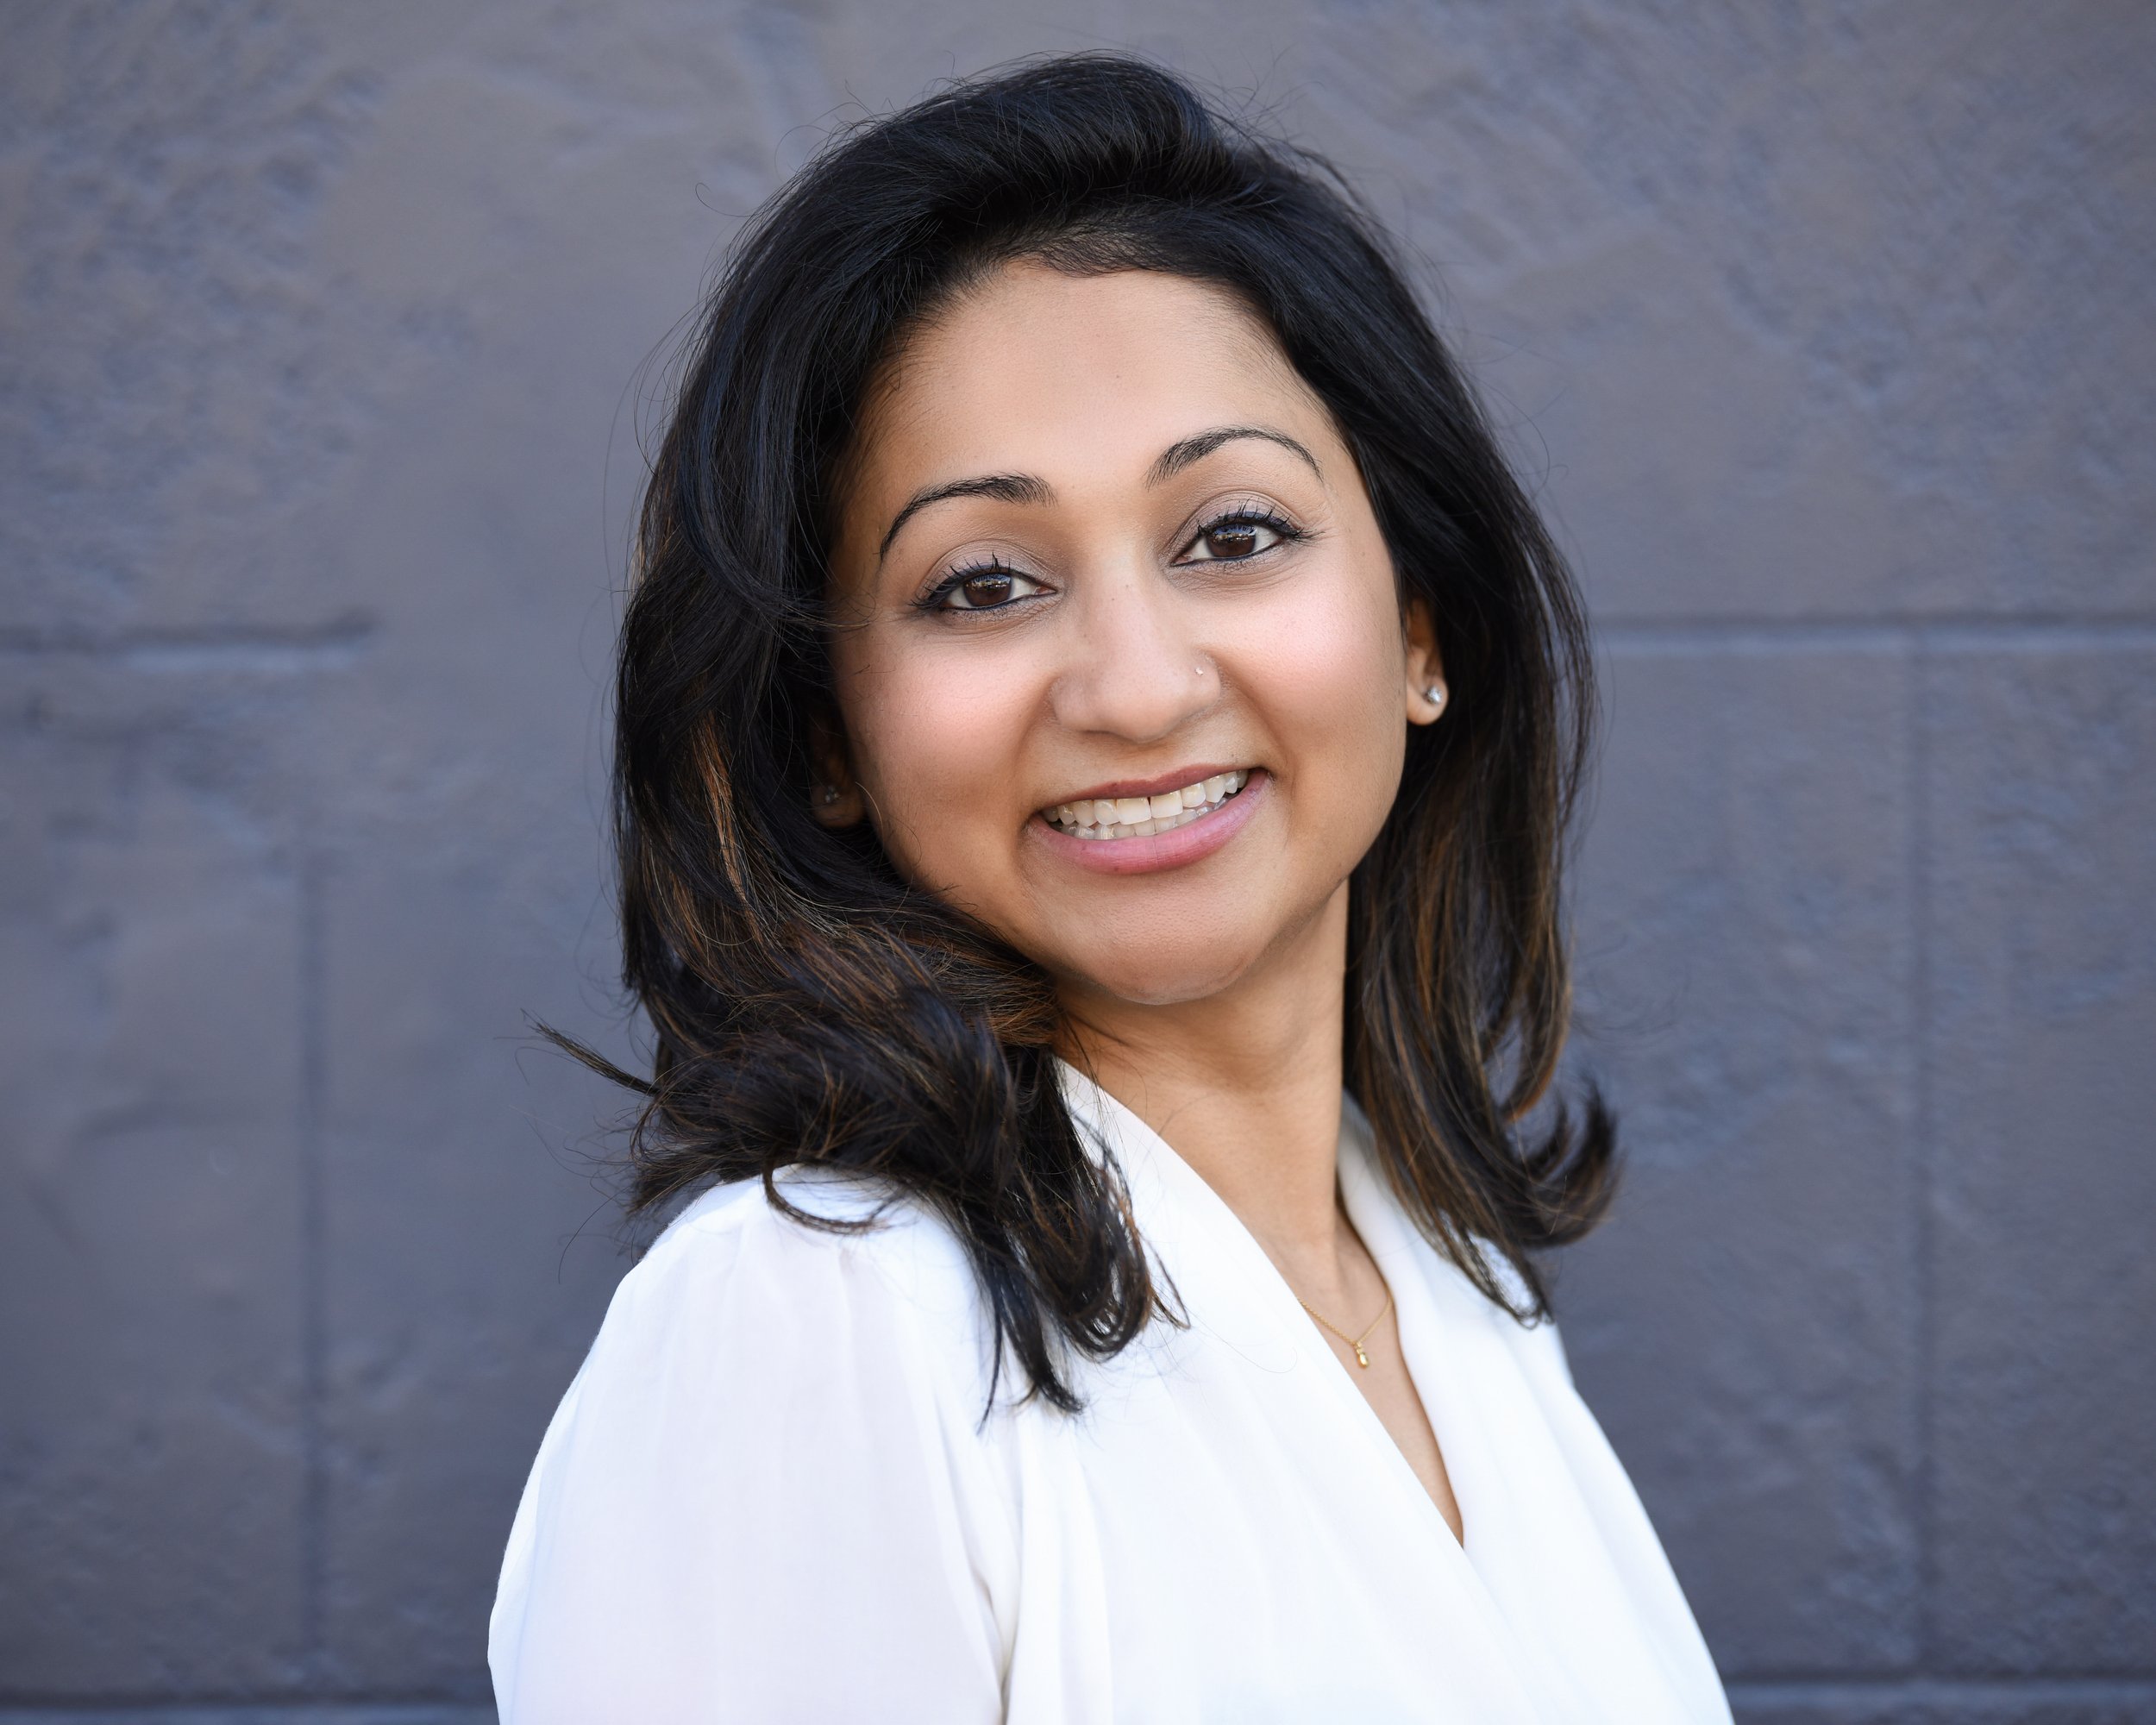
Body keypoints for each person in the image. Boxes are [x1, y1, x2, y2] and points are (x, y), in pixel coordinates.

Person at [490, 53, 1733, 1723]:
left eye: (1229, 534)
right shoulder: (812, 1322)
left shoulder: (1443, 1280)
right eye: (981, 582)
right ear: (830, 736)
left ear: (1419, 627)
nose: (1134, 689)